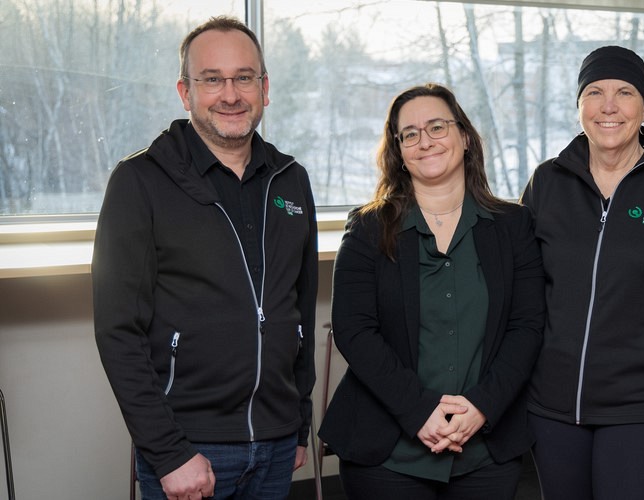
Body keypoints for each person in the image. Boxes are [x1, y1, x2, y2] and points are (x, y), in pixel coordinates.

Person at [92, 16, 317, 500]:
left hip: (277, 443)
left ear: (265, 87)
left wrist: (298, 422)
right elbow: (118, 332)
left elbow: (301, 305)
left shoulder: (291, 179)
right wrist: (168, 452)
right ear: (185, 91)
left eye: (244, 77)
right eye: (212, 79)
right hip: (191, 448)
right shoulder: (140, 181)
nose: (230, 94)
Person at [318, 83, 545, 499]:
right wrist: (417, 410)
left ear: (464, 137)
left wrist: (482, 406)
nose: (425, 141)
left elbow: (527, 326)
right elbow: (354, 330)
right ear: (399, 152)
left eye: (437, 126)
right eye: (410, 134)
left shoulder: (513, 227)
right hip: (387, 451)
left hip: (485, 450)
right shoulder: (369, 228)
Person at [520, 46, 644, 500]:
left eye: (624, 92)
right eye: (595, 92)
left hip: (643, 409)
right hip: (552, 410)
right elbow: (524, 300)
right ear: (579, 107)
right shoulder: (547, 183)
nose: (609, 106)